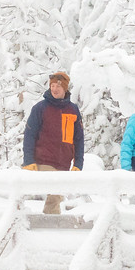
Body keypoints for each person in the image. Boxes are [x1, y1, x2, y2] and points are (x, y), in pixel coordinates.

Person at [22, 72, 84, 215]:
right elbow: (29, 135)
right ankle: (19, 216)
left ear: (65, 89)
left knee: (56, 196)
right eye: (52, 86)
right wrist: (28, 161)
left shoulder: (73, 110)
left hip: (63, 163)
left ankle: (49, 226)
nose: (54, 89)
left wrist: (78, 163)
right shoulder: (40, 108)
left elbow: (78, 139)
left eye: (58, 86)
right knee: (52, 190)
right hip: (43, 161)